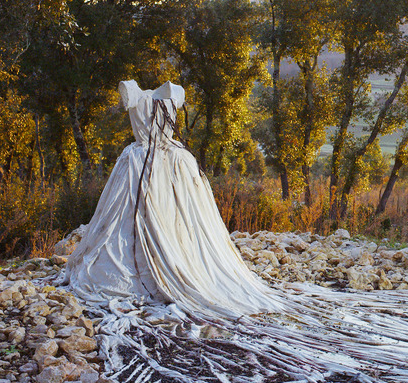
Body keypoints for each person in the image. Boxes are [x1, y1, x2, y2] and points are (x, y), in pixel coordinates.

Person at [65, 80, 280, 318]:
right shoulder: (131, 91)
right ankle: (150, 267)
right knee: (128, 220)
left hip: (169, 161)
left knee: (182, 218)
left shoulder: (174, 93)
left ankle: (178, 263)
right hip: (143, 163)